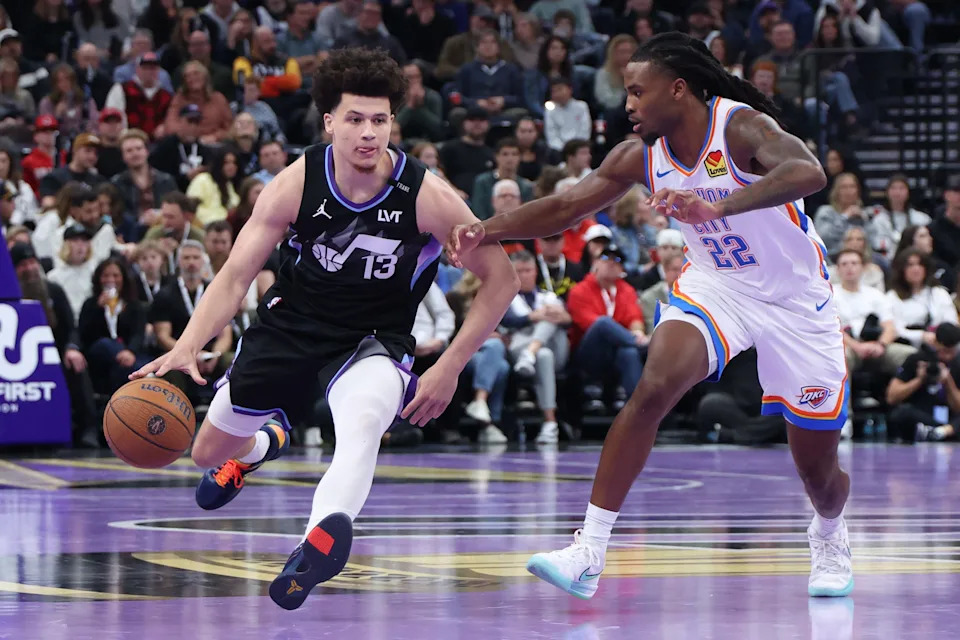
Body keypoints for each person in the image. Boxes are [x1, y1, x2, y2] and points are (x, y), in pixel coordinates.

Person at [447, 32, 852, 601]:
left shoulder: (739, 127)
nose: (628, 103)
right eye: (627, 93)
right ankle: (588, 549)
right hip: (719, 288)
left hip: (796, 301)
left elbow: (809, 171)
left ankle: (830, 532)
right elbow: (564, 207)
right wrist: (485, 229)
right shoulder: (640, 156)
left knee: (819, 473)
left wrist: (720, 204)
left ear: (678, 89)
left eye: (639, 91)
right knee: (655, 385)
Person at [130, 47, 518, 609]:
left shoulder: (426, 196)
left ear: (393, 123)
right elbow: (237, 273)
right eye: (355, 119)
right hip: (290, 326)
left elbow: (501, 279)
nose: (368, 133)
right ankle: (263, 444)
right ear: (330, 121)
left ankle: (316, 543)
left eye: (379, 120)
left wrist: (450, 366)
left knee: (361, 426)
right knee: (205, 451)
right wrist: (189, 343)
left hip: (374, 339)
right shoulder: (294, 184)